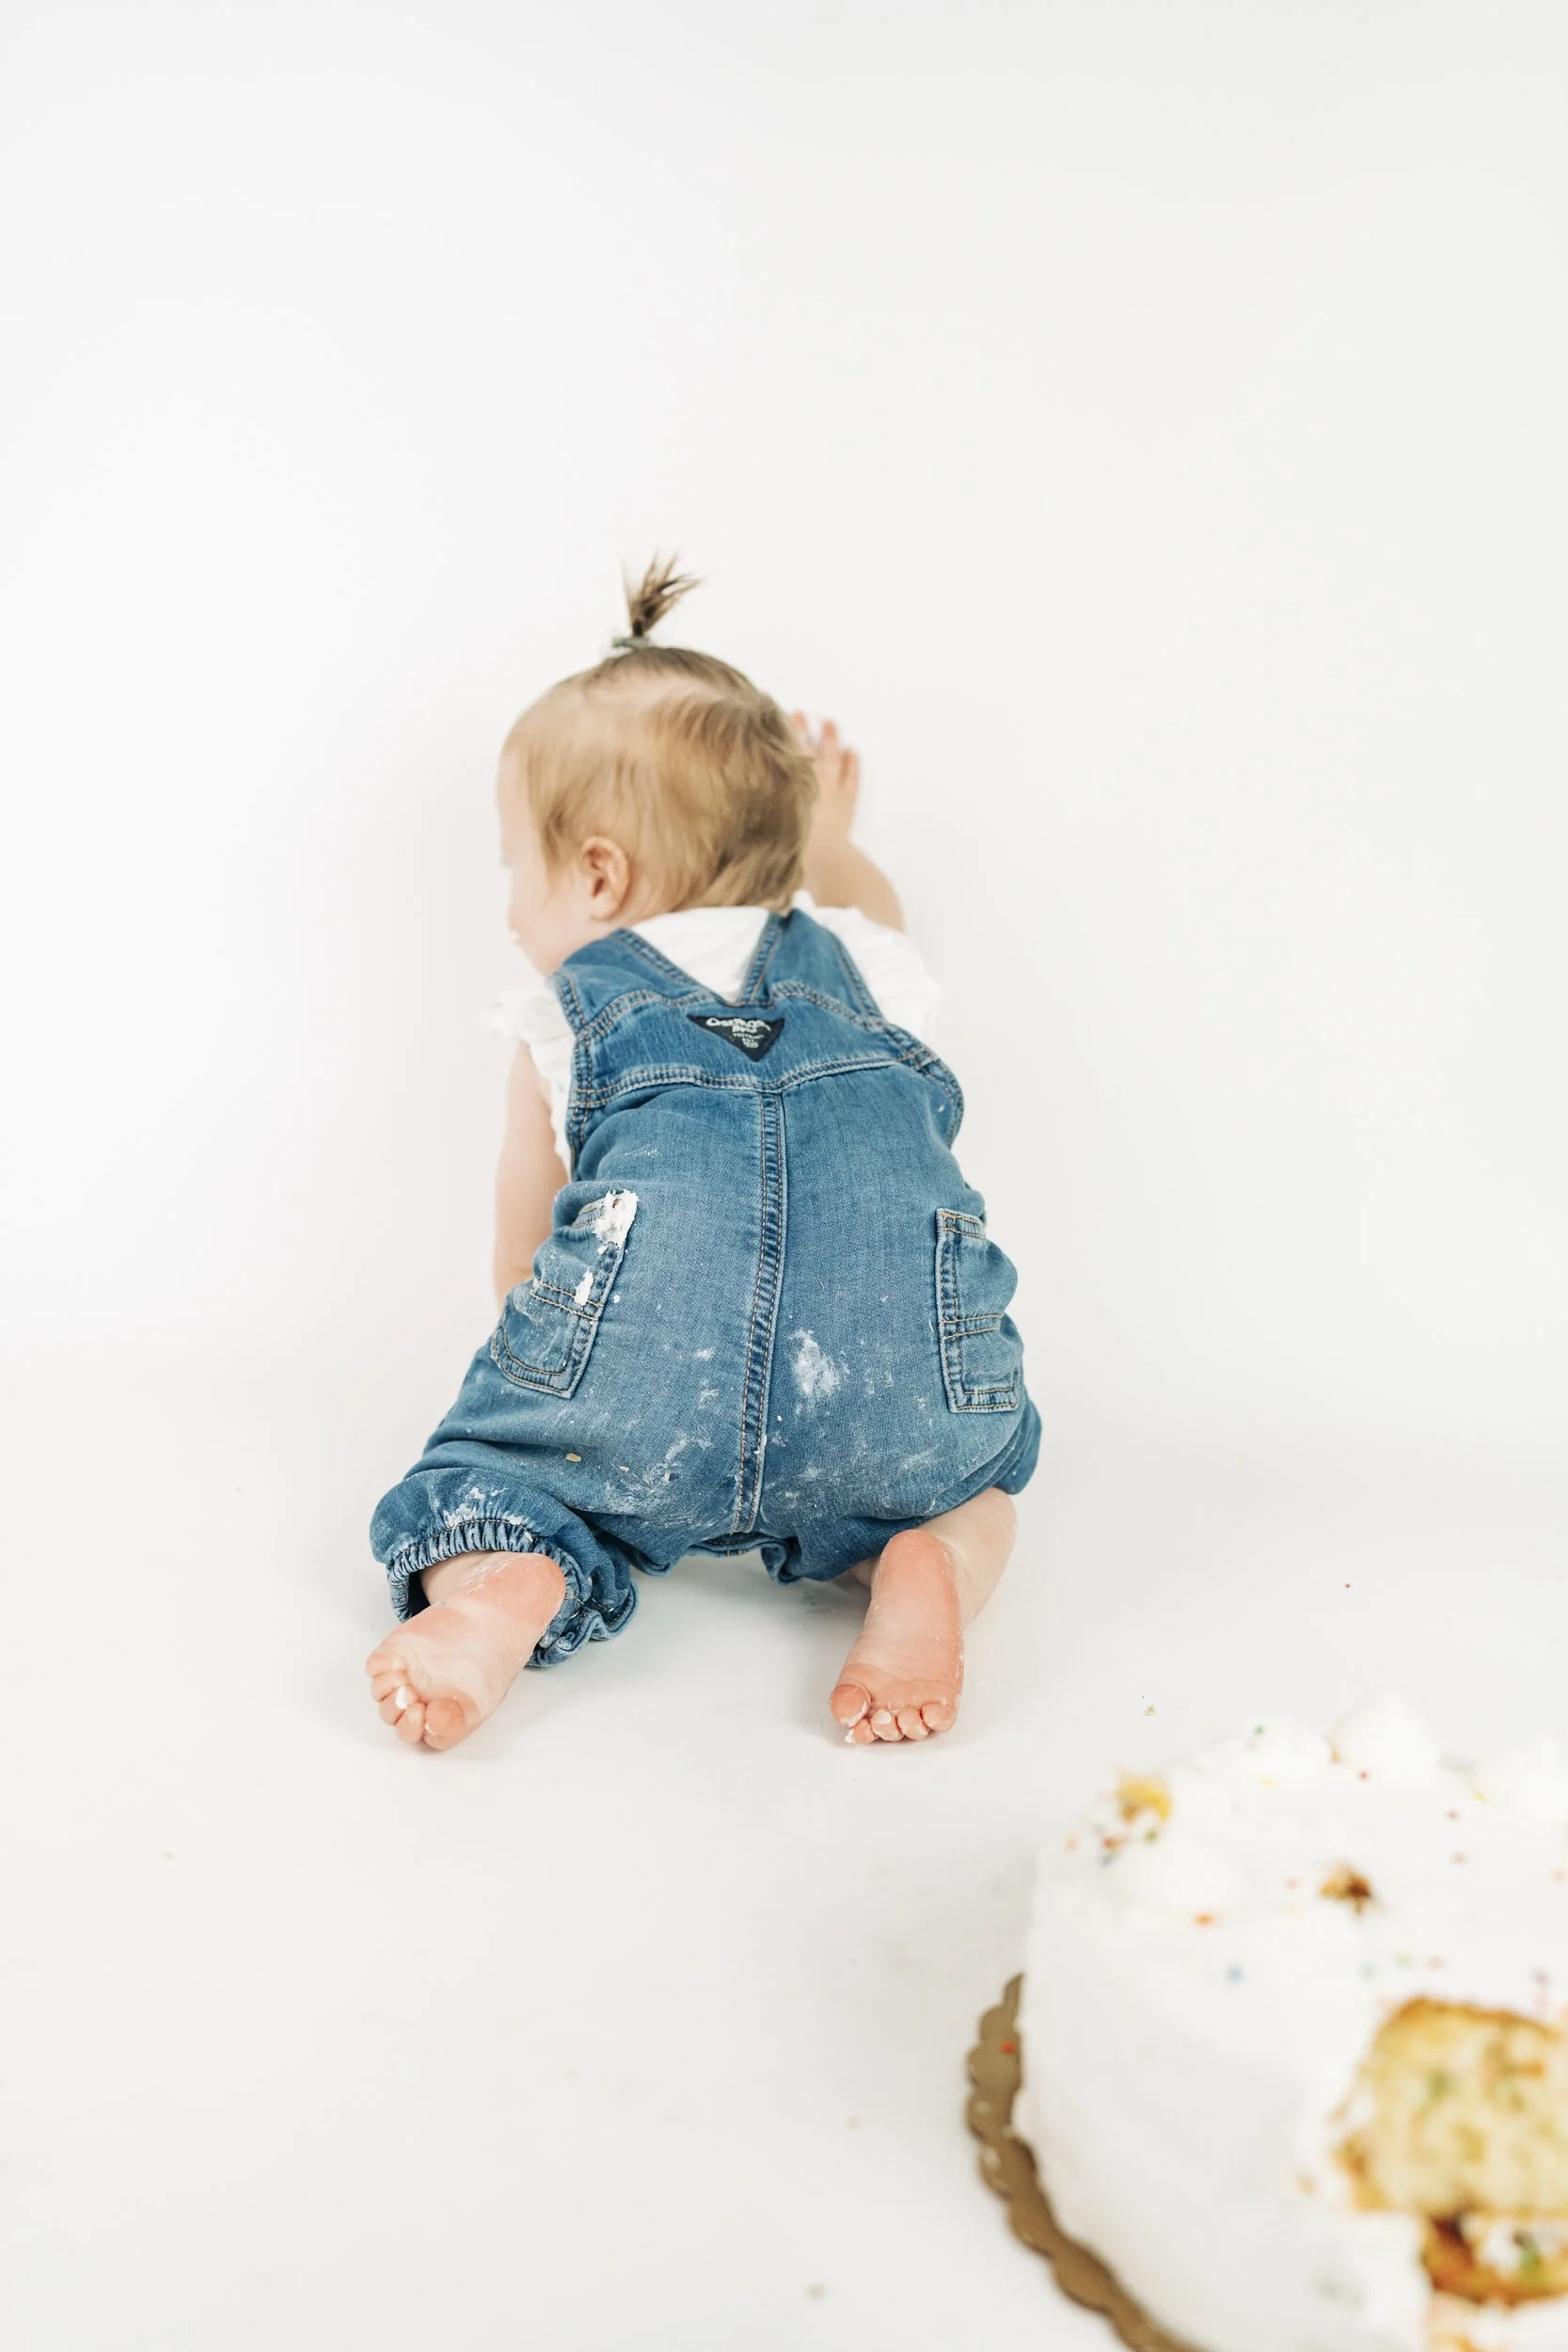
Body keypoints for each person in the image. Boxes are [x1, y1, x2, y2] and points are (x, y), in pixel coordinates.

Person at [366, 559, 1038, 1751]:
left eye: (514, 868)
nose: (511, 908)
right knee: (982, 1484)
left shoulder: (557, 1015)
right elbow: (870, 896)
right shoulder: (857, 960)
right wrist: (830, 835)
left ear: (598, 874)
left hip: (638, 1396)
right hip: (887, 1386)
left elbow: (525, 1246)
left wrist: (545, 1410)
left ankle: (505, 1587)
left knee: (481, 1490)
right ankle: (924, 1554)